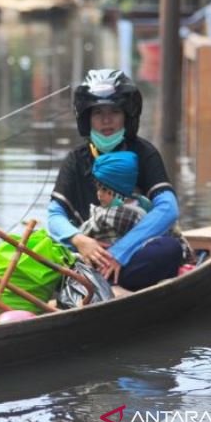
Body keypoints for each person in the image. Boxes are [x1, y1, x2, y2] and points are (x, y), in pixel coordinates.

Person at [47, 69, 186, 291]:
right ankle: (98, 282)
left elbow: (168, 209)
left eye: (114, 111)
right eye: (97, 112)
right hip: (89, 254)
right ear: (87, 118)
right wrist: (80, 240)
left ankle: (96, 285)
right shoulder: (75, 159)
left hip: (132, 254)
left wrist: (120, 252)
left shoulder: (144, 152)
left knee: (169, 250)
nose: (106, 120)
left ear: (127, 116)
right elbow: (54, 216)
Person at [80, 151, 195, 264]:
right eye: (98, 189)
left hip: (121, 264)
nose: (99, 194)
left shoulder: (117, 213)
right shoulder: (142, 205)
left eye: (104, 189)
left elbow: (82, 234)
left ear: (119, 188)